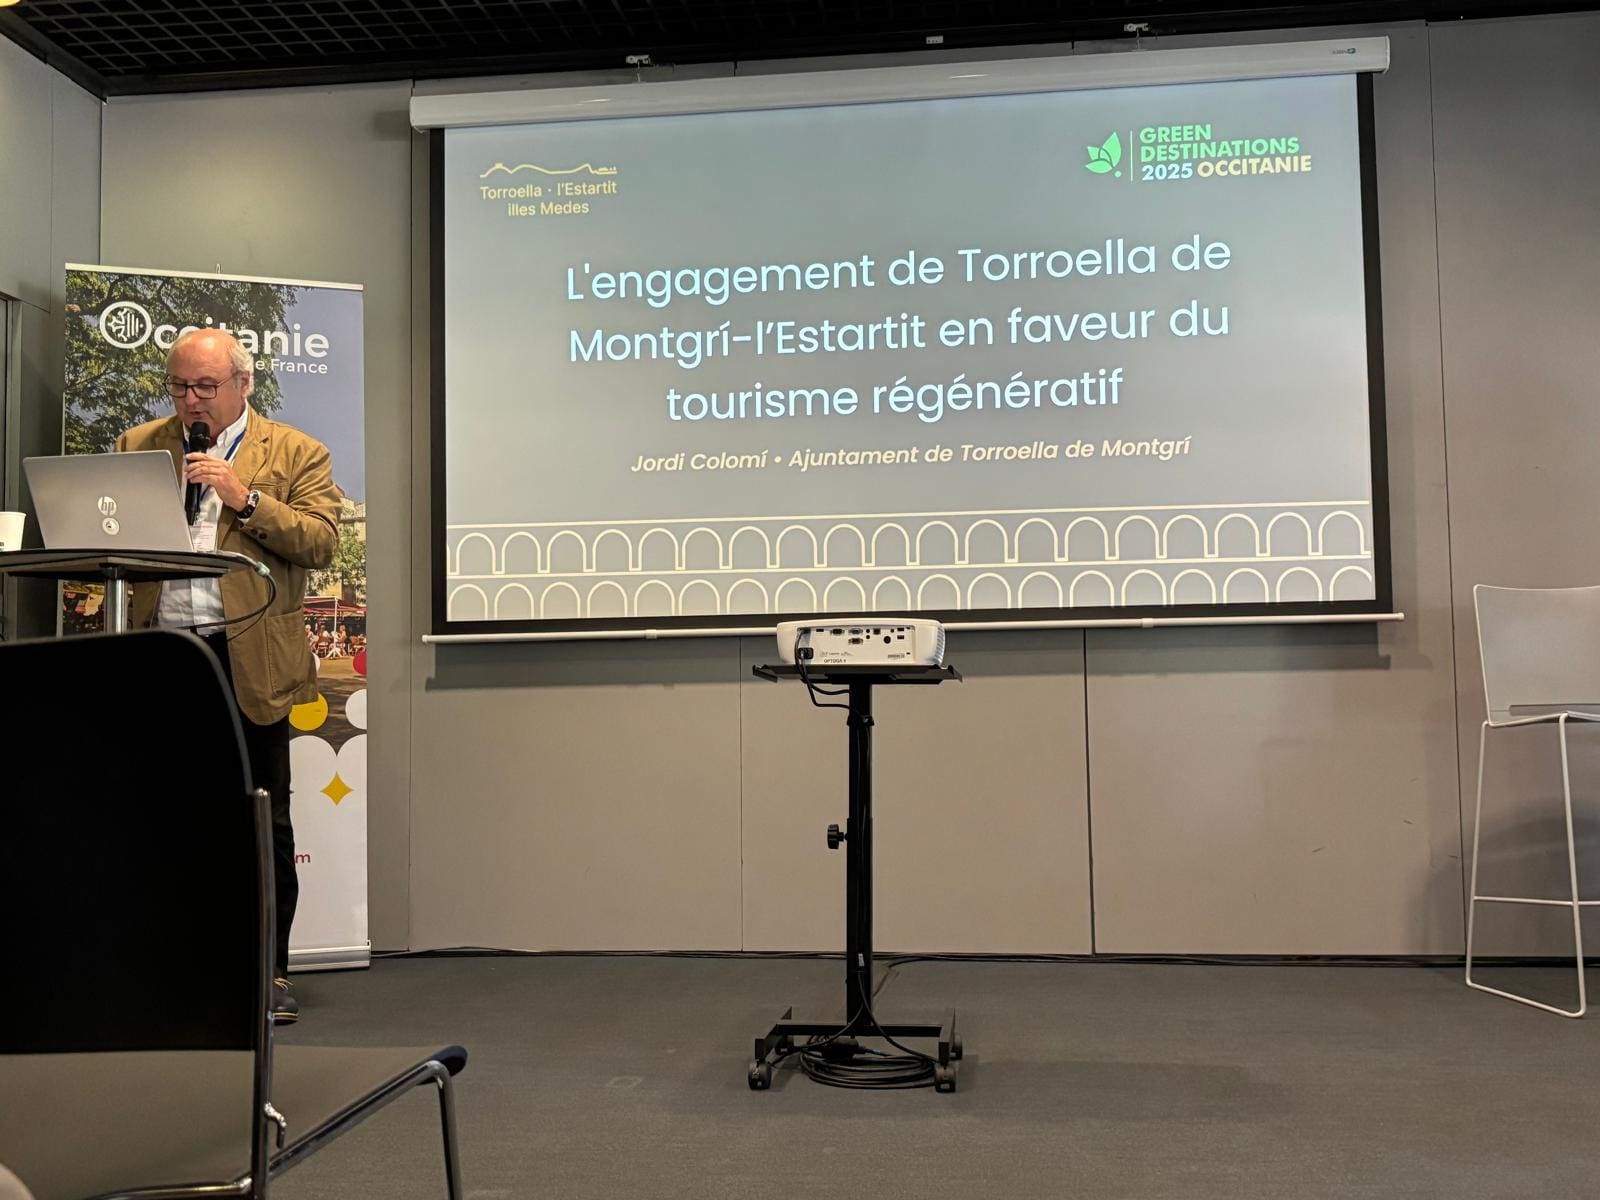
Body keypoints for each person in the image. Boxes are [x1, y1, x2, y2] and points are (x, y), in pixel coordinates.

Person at [116, 328, 338, 1024]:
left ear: (243, 384)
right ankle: (176, 971)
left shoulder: (296, 451)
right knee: (164, 818)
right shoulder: (138, 446)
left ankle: (268, 972)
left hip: (251, 659)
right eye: (180, 386)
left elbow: (322, 541)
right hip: (164, 658)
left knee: (262, 820)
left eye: (205, 387)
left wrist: (245, 498)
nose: (191, 401)